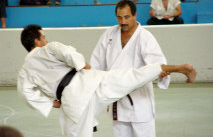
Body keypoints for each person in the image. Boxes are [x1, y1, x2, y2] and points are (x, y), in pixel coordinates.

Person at [17, 24, 196, 137]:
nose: (46, 40)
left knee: (74, 133)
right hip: (90, 83)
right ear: (37, 40)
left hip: (71, 101)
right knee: (132, 76)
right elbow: (67, 53)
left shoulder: (25, 70)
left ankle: (91, 124)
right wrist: (82, 65)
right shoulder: (48, 48)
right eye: (44, 37)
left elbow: (25, 93)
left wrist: (49, 104)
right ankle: (172, 68)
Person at [90, 0, 171, 137]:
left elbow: (157, 63)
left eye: (127, 17)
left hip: (139, 102)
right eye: (119, 18)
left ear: (135, 15)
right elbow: (96, 64)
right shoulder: (109, 35)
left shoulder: (145, 37)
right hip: (117, 100)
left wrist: (161, 73)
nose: (123, 22)